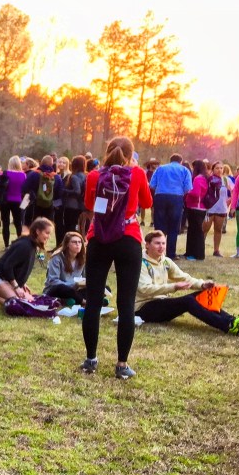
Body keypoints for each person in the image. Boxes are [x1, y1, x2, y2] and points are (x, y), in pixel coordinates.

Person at [80, 136, 153, 380]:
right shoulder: (138, 174)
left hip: (99, 238)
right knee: (126, 303)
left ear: (107, 151)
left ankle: (90, 359)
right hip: (128, 238)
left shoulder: (93, 175)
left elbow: (89, 204)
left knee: (92, 301)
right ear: (131, 154)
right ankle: (122, 365)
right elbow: (147, 202)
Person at [134, 229, 239, 335]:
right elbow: (144, 289)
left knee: (201, 295)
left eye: (163, 243)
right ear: (147, 245)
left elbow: (184, 277)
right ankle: (229, 326)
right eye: (157, 243)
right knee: (188, 301)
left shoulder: (165, 261)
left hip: (160, 302)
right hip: (143, 308)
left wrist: (202, 284)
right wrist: (174, 287)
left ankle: (234, 321)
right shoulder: (140, 262)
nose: (161, 247)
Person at [0, 217, 54, 306]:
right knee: (18, 304)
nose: (48, 236)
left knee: (30, 301)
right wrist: (16, 287)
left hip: (8, 279)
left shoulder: (33, 245)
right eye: (47, 233)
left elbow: (20, 266)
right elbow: (7, 266)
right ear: (37, 231)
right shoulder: (25, 245)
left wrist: (23, 283)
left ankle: (1, 292)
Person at [149, 153, 192, 260]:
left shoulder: (160, 169)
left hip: (161, 196)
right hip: (176, 197)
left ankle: (158, 252)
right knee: (174, 226)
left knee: (160, 225)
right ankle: (171, 253)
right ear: (180, 161)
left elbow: (152, 185)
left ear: (170, 160)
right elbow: (188, 188)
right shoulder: (184, 170)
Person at [43, 231, 87, 304]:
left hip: (75, 290)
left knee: (103, 288)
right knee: (63, 288)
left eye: (80, 242)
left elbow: (85, 278)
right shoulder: (56, 258)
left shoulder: (82, 258)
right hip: (56, 290)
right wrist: (73, 285)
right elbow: (53, 281)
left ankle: (71, 300)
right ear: (67, 244)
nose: (78, 244)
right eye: (74, 242)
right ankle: (84, 301)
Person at [200, 161, 229, 258]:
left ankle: (216, 250)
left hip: (221, 209)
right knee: (205, 229)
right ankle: (200, 248)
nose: (219, 170)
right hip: (210, 208)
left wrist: (228, 202)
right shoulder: (209, 179)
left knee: (218, 229)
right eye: (217, 168)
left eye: (221, 168)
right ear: (213, 169)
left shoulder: (225, 180)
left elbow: (234, 191)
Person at [183, 159, 208, 260]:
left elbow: (196, 193)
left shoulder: (198, 178)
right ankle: (190, 252)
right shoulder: (204, 178)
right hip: (198, 207)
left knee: (196, 231)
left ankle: (197, 254)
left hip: (196, 207)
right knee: (193, 230)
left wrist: (188, 190)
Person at [0, 156, 27, 248]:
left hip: (5, 200)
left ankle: (6, 244)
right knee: (18, 223)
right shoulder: (23, 175)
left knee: (6, 223)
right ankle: (20, 243)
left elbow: (0, 186)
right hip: (18, 200)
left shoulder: (6, 173)